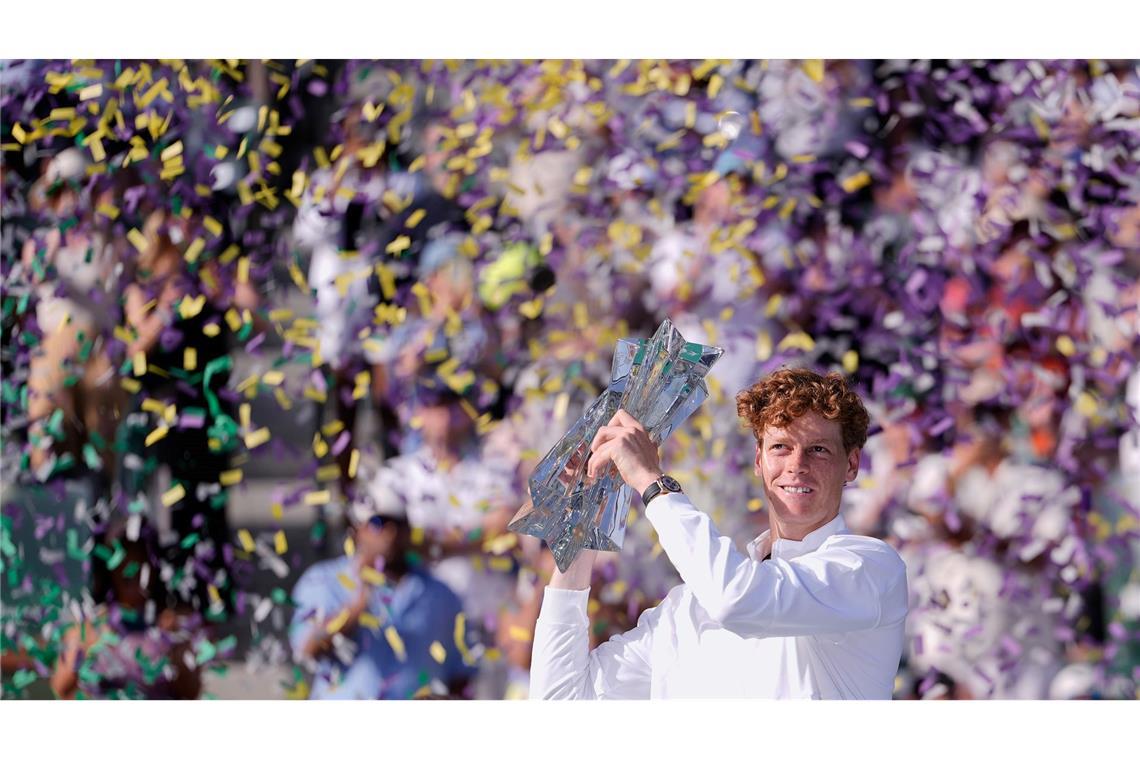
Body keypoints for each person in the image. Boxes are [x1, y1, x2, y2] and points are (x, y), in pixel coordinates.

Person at [528, 367, 908, 699]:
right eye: (780, 447)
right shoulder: (686, 610)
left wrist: (651, 480)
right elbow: (560, 703)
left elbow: (737, 601)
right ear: (759, 461)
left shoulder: (869, 568)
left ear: (852, 465)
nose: (797, 465)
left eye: (819, 450)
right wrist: (583, 523)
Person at [288, 487, 476, 699]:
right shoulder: (323, 581)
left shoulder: (441, 594)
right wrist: (358, 605)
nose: (390, 532)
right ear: (357, 528)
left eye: (399, 523)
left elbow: (461, 677)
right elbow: (308, 649)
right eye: (378, 522)